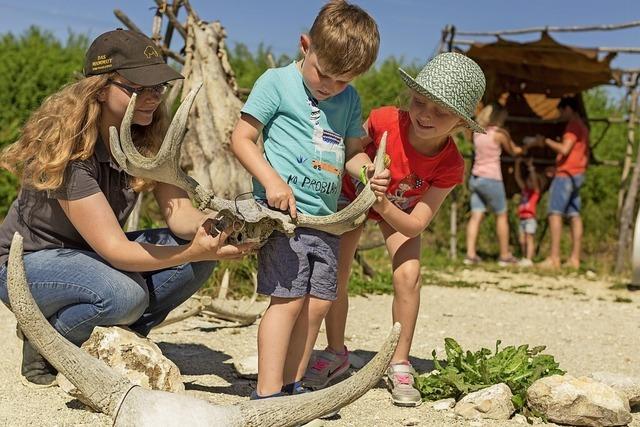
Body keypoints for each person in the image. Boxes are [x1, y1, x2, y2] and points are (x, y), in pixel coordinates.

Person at [0, 29, 254, 387]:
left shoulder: (147, 135)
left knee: (200, 258)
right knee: (125, 295)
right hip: (29, 262)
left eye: (158, 87)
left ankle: (117, 337)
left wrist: (222, 224)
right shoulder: (70, 152)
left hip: (91, 256)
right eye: (138, 88)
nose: (152, 97)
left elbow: (181, 217)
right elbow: (116, 250)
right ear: (101, 88)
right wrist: (188, 251)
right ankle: (45, 339)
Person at [304, 52, 486, 407]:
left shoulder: (450, 164)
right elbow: (350, 148)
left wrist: (384, 204)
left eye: (441, 111)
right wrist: (367, 178)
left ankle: (399, 360)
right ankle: (336, 352)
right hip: (349, 196)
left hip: (396, 209)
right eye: (420, 102)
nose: (425, 115)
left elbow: (417, 222)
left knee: (409, 276)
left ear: (462, 123)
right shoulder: (384, 119)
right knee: (336, 275)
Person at [230, 0, 389, 400]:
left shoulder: (348, 99)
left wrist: (369, 171)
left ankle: (292, 385)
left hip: (327, 220)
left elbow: (352, 152)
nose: (330, 87)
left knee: (318, 304)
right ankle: (267, 394)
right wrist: (271, 181)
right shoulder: (276, 82)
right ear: (305, 45)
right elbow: (242, 138)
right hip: (285, 217)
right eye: (324, 75)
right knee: (287, 300)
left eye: (343, 81)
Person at [464, 102, 523, 267]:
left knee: (476, 216)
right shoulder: (499, 134)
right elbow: (514, 150)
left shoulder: (477, 133)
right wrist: (528, 145)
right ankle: (504, 255)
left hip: (476, 177)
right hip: (492, 178)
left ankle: (470, 254)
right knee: (501, 215)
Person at [536, 95, 589, 269]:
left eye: (561, 111)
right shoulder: (583, 126)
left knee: (555, 213)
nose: (560, 115)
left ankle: (554, 257)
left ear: (568, 109)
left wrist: (546, 142)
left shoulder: (572, 127)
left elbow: (565, 149)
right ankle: (574, 259)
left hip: (566, 174)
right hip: (577, 173)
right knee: (574, 215)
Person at [514, 157, 541, 267]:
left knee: (529, 238)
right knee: (522, 240)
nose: (529, 182)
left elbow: (534, 181)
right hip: (522, 218)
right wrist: (517, 164)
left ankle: (529, 259)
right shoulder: (524, 190)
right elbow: (517, 177)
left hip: (530, 218)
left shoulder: (535, 193)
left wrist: (531, 168)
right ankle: (524, 257)